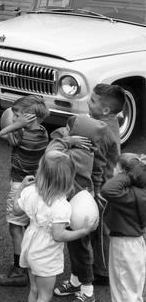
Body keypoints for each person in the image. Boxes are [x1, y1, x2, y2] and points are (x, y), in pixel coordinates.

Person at [13, 151, 98, 302]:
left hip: (29, 246)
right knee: (45, 295)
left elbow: (16, 209)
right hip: (45, 254)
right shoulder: (62, 206)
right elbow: (58, 235)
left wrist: (20, 188)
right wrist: (83, 231)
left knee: (34, 289)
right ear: (67, 179)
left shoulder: (30, 191)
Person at [48, 113, 113, 302]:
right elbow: (97, 171)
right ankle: (76, 282)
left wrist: (66, 140)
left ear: (79, 135)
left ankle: (87, 290)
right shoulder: (90, 151)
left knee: (80, 250)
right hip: (83, 202)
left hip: (75, 208)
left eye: (70, 130)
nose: (66, 132)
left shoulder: (73, 153)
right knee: (77, 247)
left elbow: (50, 154)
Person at [0, 95, 50, 288]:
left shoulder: (20, 135)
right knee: (31, 225)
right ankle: (29, 263)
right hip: (37, 185)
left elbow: (2, 133)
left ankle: (19, 271)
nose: (13, 117)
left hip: (20, 185)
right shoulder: (43, 132)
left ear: (29, 116)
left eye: (16, 114)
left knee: (16, 227)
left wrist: (18, 125)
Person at [87, 83, 125, 285]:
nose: (88, 102)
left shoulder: (101, 131)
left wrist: (95, 192)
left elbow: (98, 166)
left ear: (106, 110)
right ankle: (104, 265)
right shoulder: (111, 122)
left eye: (92, 101)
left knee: (101, 231)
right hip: (113, 183)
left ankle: (102, 272)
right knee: (105, 229)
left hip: (103, 188)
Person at [100, 152, 146, 302]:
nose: (112, 170)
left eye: (115, 168)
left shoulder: (128, 196)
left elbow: (107, 190)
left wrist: (127, 174)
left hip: (124, 246)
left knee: (123, 291)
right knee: (134, 290)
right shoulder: (140, 194)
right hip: (137, 244)